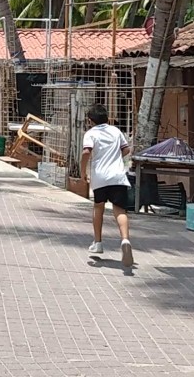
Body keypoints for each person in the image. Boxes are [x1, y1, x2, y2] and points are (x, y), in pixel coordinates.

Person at [80, 104, 134, 267]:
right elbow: (126, 150)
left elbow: (86, 152)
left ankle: (98, 243)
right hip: (118, 176)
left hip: (100, 177)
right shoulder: (116, 131)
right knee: (120, 210)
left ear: (90, 121)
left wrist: (83, 171)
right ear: (107, 118)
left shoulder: (91, 134)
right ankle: (125, 240)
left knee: (98, 208)